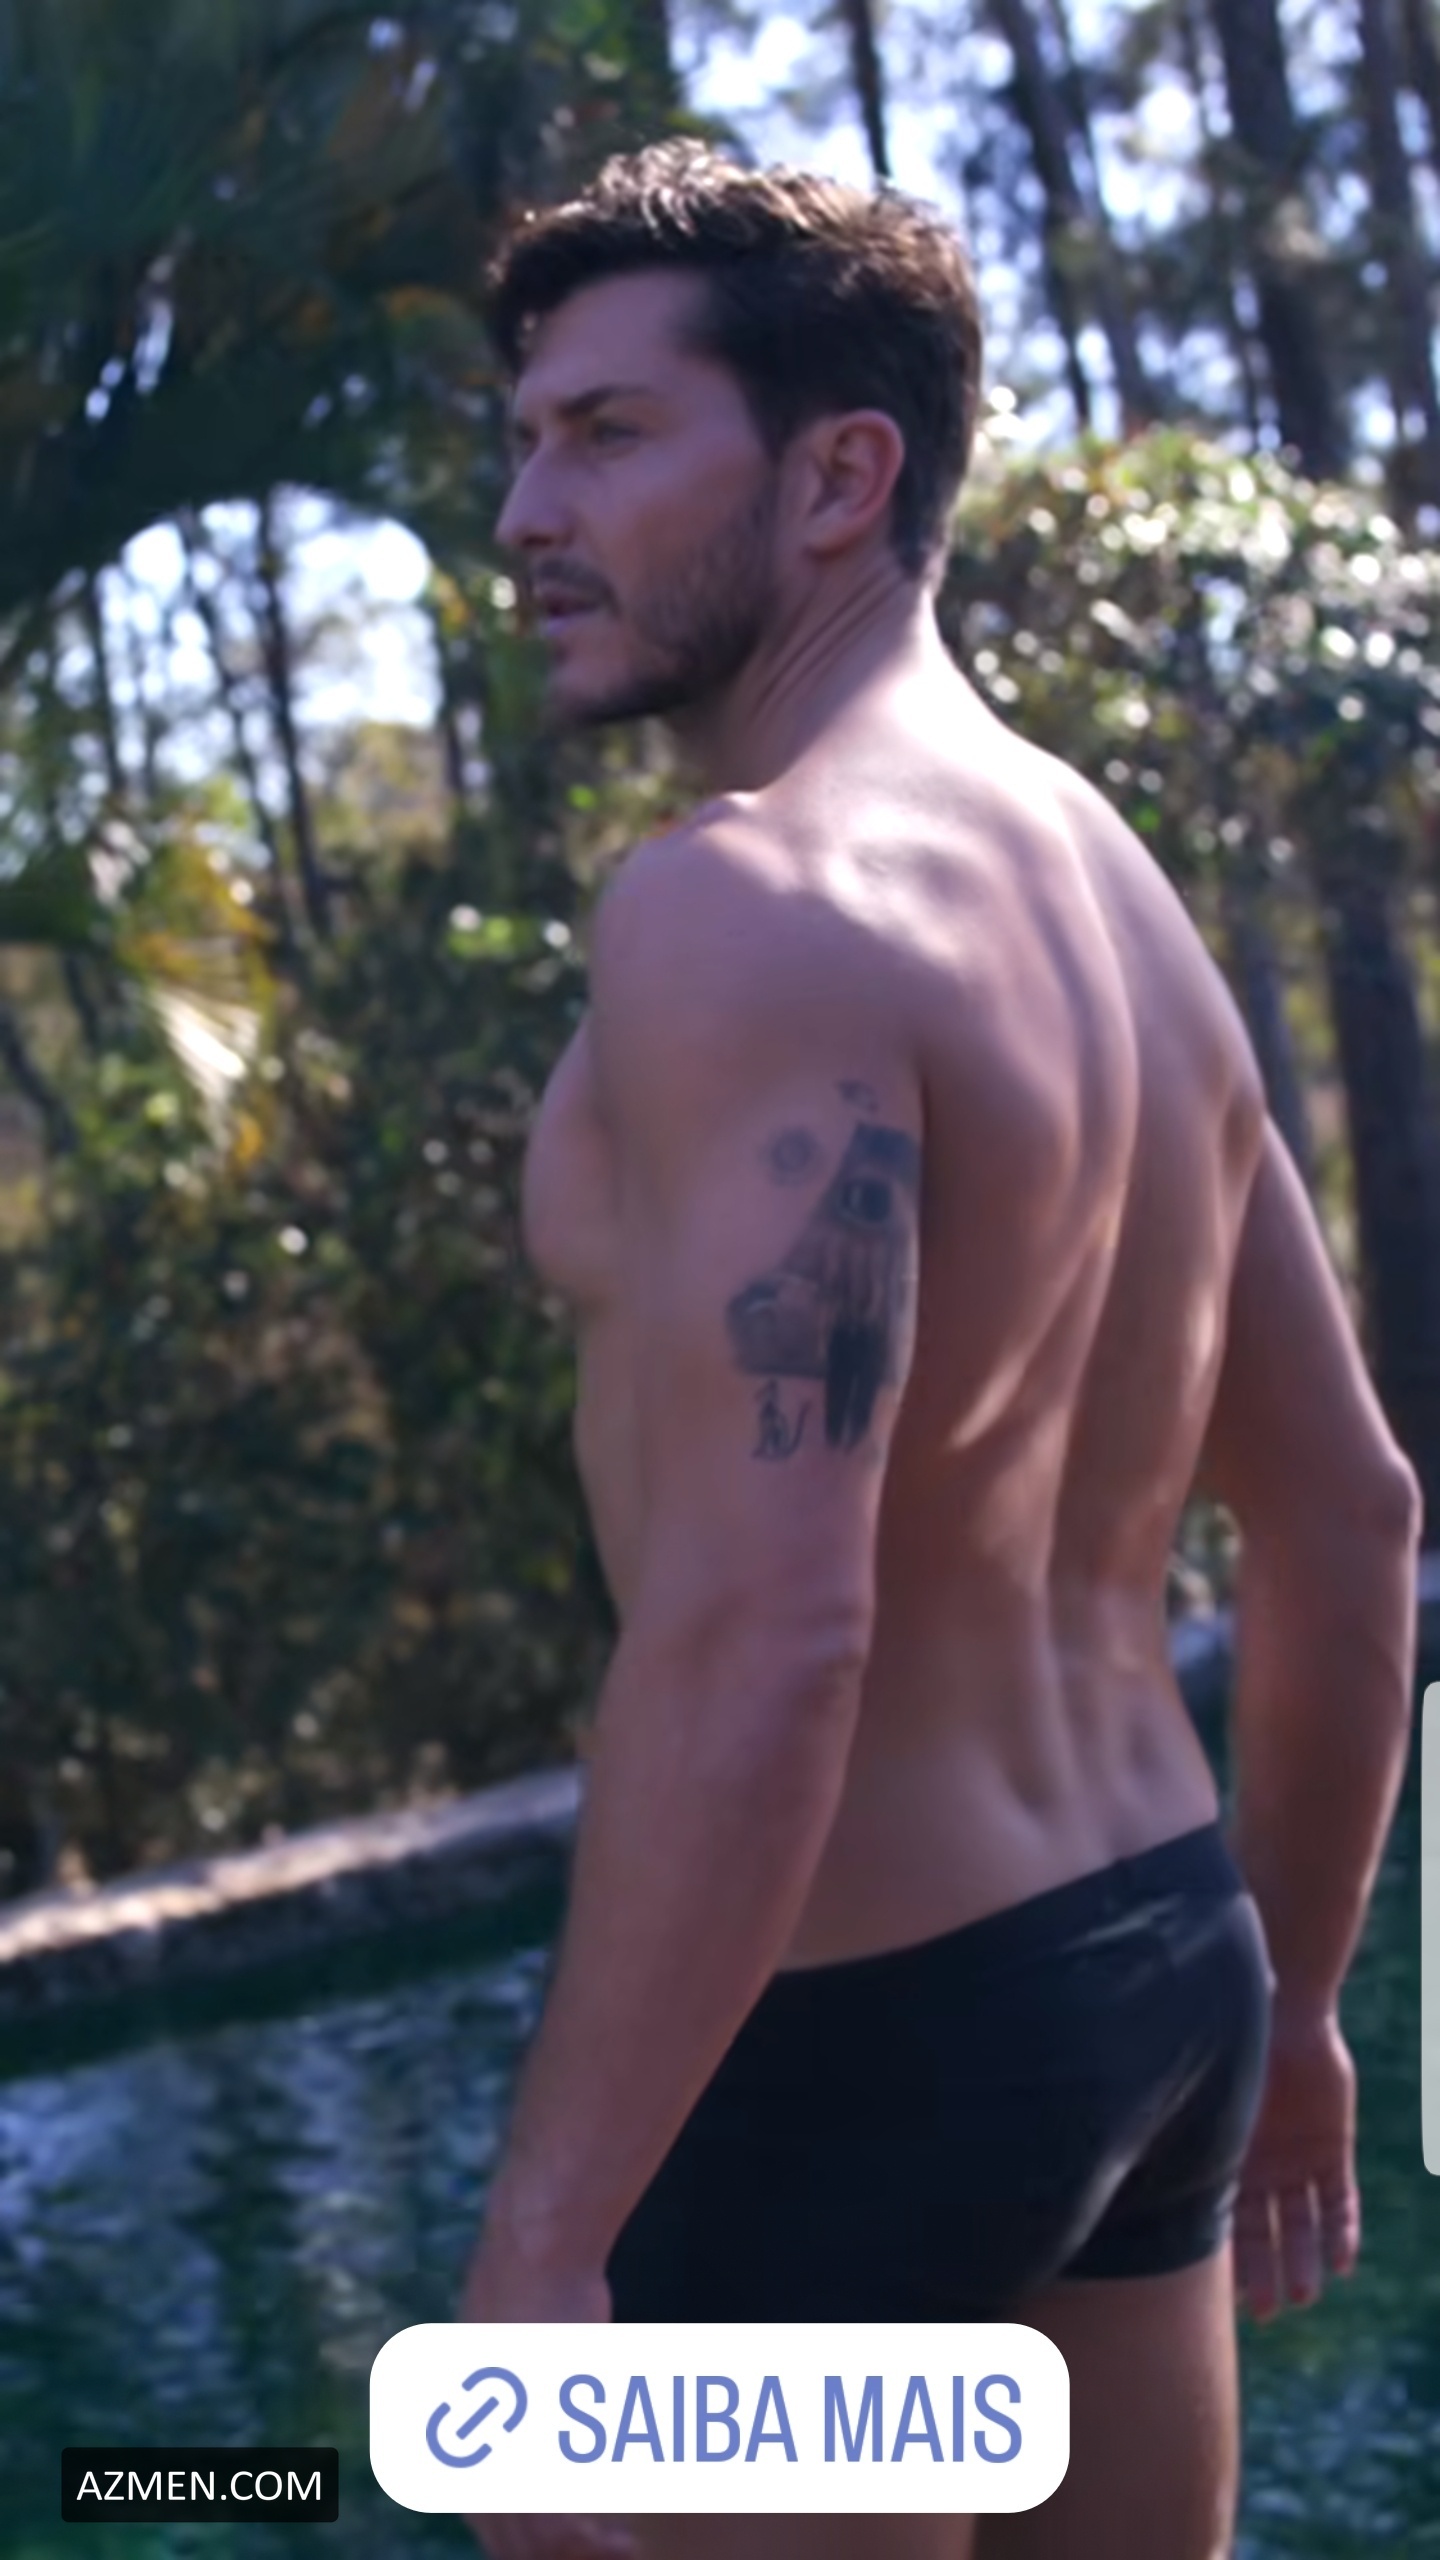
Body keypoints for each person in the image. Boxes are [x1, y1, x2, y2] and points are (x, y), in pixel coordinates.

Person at [458, 142, 1421, 2560]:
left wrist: (546, 2239)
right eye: (525, 439)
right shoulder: (1113, 893)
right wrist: (1302, 2000)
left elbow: (772, 1621)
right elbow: (1349, 1514)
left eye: (607, 434)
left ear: (839, 476)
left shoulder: (740, 904)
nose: (524, 512)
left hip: (860, 2040)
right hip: (1157, 1972)